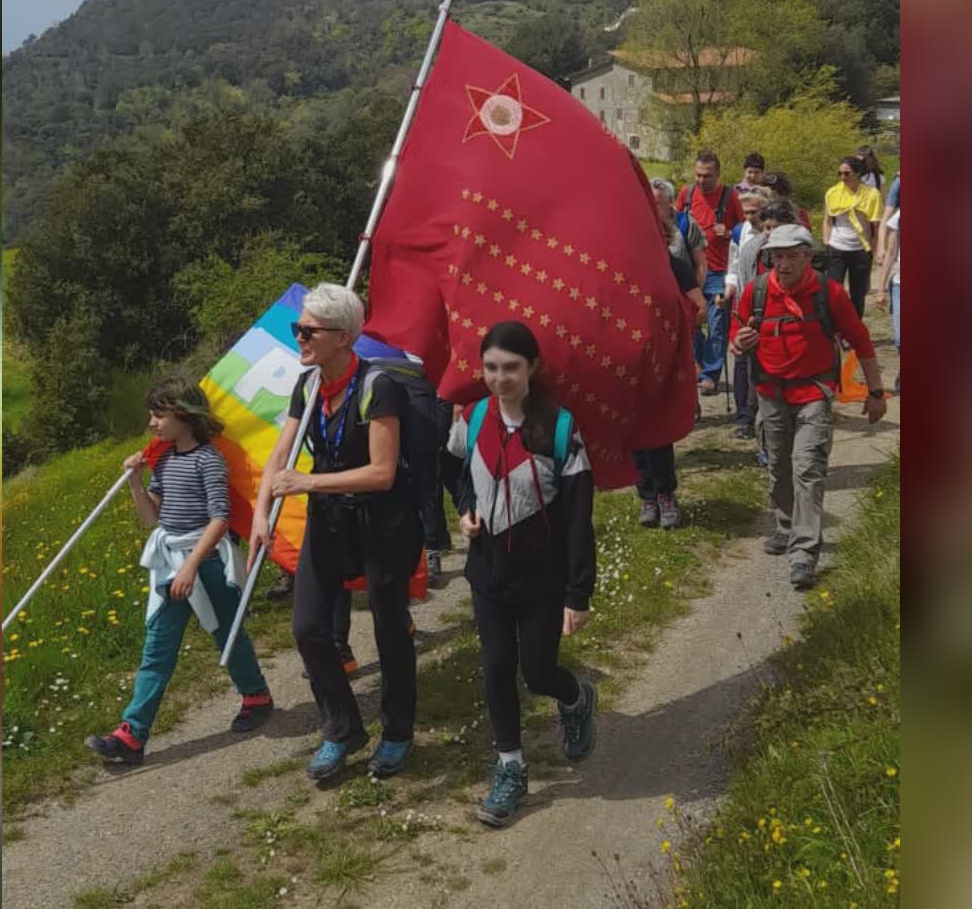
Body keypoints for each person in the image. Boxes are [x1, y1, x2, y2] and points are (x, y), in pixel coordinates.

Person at [251, 283, 420, 781]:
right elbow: (280, 455)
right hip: (329, 521)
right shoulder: (306, 385)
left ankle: (397, 731)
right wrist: (262, 513)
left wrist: (308, 482)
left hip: (381, 522)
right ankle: (342, 729)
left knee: (390, 628)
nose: (298, 337)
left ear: (343, 337)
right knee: (307, 627)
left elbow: (381, 472)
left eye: (309, 330)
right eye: (297, 328)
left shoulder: (377, 387)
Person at [447, 321, 599, 827]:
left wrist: (577, 594)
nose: (499, 377)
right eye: (490, 367)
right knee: (495, 668)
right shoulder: (472, 418)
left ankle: (576, 699)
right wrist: (466, 509)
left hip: (542, 578)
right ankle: (510, 766)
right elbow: (456, 472)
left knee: (537, 673)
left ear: (532, 367)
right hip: (488, 574)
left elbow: (579, 518)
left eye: (510, 367)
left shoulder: (559, 427)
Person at [85, 378, 273, 767]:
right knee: (157, 648)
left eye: (159, 414)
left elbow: (220, 517)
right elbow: (150, 518)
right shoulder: (165, 460)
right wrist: (136, 481)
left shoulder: (208, 459)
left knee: (228, 636)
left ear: (184, 416)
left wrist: (191, 565)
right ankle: (132, 735)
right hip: (170, 563)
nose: (152, 423)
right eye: (151, 415)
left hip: (205, 563)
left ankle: (256, 696)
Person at [728, 225, 887, 590]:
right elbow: (738, 336)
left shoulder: (828, 292)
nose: (782, 264)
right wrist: (741, 342)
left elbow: (861, 340)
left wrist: (875, 392)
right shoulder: (757, 291)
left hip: (814, 393)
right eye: (776, 256)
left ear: (807, 256)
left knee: (808, 468)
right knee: (779, 466)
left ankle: (804, 553)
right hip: (770, 393)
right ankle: (784, 527)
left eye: (791, 256)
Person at [633, 188, 706, 529]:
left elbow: (699, 308)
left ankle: (666, 494)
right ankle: (646, 495)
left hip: (664, 362)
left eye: (661, 232)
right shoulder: (625, 269)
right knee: (634, 430)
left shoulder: (676, 267)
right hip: (630, 363)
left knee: (657, 432)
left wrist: (675, 320)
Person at [675, 150, 744, 394]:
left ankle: (710, 375)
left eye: (707, 176)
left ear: (718, 174)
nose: (702, 180)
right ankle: (700, 363)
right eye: (698, 175)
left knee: (717, 324)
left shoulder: (730, 196)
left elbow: (744, 229)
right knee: (692, 322)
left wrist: (727, 231)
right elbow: (676, 224)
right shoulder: (687, 194)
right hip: (692, 271)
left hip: (719, 269)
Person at [724, 191, 770, 440]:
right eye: (747, 213)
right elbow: (734, 266)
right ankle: (743, 416)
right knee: (741, 363)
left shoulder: (772, 237)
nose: (750, 218)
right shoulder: (741, 232)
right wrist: (729, 289)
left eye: (755, 212)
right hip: (742, 304)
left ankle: (761, 416)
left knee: (759, 365)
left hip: (765, 309)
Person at [822, 156, 883, 317]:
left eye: (847, 173)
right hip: (837, 247)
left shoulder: (872, 195)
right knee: (832, 292)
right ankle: (834, 332)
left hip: (861, 249)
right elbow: (827, 221)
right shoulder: (833, 193)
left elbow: (876, 227)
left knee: (858, 295)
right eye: (839, 173)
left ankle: (855, 333)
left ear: (858, 173)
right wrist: (827, 243)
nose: (842, 177)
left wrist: (875, 251)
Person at [875, 206, 900, 395]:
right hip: (901, 284)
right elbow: (891, 254)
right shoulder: (899, 218)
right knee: (900, 338)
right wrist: (881, 288)